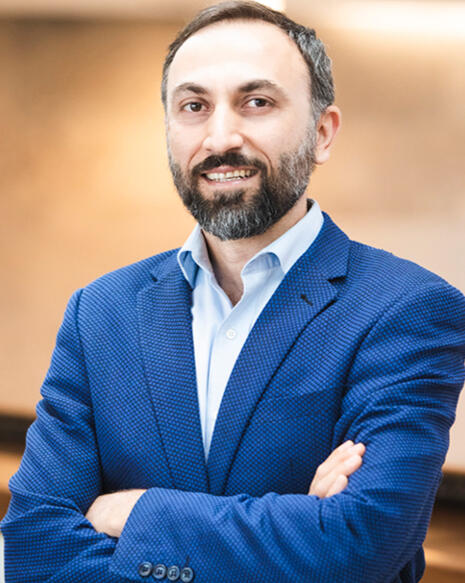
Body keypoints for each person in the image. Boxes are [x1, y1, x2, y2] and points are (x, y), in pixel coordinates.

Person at [2, 1, 465, 582]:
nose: (221, 137)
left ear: (322, 134)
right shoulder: (99, 313)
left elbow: (359, 545)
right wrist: (295, 531)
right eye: (194, 106)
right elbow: (33, 548)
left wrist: (138, 513)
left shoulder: (408, 310)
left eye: (257, 102)